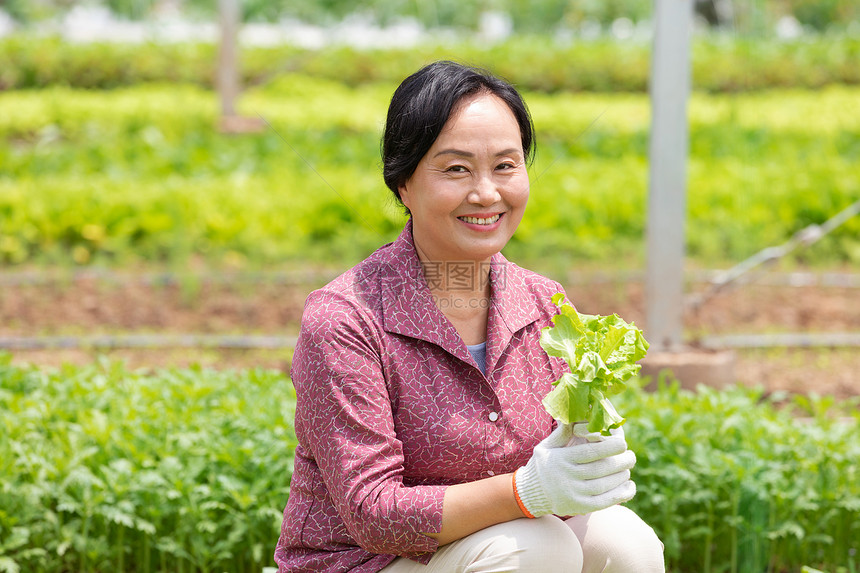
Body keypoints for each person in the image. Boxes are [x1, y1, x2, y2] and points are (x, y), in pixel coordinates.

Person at [274, 60, 664, 573]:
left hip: (500, 541)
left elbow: (554, 476)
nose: (486, 193)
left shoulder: (545, 304)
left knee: (628, 547)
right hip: (369, 560)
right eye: (456, 169)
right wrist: (526, 490)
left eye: (505, 165)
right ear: (403, 184)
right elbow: (373, 514)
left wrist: (586, 459)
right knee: (537, 550)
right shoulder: (348, 319)